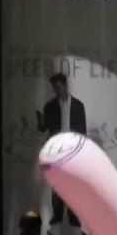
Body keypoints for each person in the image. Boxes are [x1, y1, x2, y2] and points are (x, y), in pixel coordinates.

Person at [38, 73, 85, 225]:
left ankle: (73, 216)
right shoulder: (50, 106)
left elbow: (82, 131)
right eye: (54, 88)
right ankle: (58, 214)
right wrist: (39, 121)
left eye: (59, 87)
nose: (57, 90)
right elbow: (44, 128)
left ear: (65, 86)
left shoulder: (78, 106)